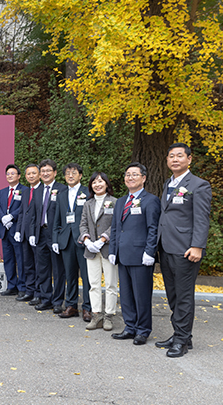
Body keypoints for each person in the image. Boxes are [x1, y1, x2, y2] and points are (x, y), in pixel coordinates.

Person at [156, 143, 212, 358]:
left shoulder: (199, 185)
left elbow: (201, 218)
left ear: (189, 159)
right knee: (173, 294)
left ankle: (181, 340)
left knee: (184, 295)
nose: (175, 159)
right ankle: (181, 333)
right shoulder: (167, 184)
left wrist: (197, 245)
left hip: (186, 249)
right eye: (171, 156)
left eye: (179, 155)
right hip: (166, 247)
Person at [109, 162, 160, 346]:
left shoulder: (151, 200)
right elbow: (116, 228)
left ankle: (143, 330)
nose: (130, 178)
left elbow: (153, 228)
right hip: (123, 254)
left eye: (134, 174)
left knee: (141, 295)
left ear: (144, 178)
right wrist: (113, 250)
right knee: (127, 294)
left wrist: (149, 251)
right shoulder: (121, 201)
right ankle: (130, 327)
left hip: (141, 256)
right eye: (127, 175)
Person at [79, 172, 118, 331]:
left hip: (107, 248)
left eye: (100, 181)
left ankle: (109, 316)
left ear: (107, 184)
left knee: (110, 284)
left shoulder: (115, 202)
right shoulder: (88, 204)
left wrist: (102, 239)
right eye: (94, 182)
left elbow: (115, 225)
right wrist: (87, 240)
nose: (97, 184)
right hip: (91, 250)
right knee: (93, 284)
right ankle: (96, 315)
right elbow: (82, 224)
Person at [52, 163, 92, 321]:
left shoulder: (87, 192)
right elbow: (57, 219)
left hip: (83, 240)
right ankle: (71, 305)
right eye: (67, 173)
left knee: (87, 276)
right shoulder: (61, 195)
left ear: (80, 175)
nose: (70, 175)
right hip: (66, 240)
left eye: (74, 173)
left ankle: (88, 307)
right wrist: (56, 239)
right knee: (70, 275)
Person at [27, 159, 66, 312]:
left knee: (57, 269)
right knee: (42, 268)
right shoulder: (37, 191)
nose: (45, 173)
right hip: (40, 234)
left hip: (55, 234)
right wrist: (31, 233)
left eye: (48, 170)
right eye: (42, 171)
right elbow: (33, 215)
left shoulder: (62, 189)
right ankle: (46, 299)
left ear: (55, 173)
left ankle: (57, 302)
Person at [0, 164, 28, 296]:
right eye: (8, 173)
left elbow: (25, 207)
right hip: (5, 230)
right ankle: (11, 285)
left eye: (13, 173)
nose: (10, 176)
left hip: (17, 230)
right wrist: (3, 218)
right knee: (8, 259)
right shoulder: (2, 192)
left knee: (20, 259)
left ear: (19, 176)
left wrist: (11, 216)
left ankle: (22, 287)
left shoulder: (25, 190)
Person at [14, 164, 41, 303]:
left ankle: (38, 292)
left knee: (38, 265)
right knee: (27, 264)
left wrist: (34, 232)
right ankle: (29, 291)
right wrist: (18, 230)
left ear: (39, 175)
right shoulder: (25, 192)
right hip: (24, 234)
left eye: (34, 173)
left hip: (37, 235)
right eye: (28, 174)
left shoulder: (43, 191)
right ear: (25, 176)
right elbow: (21, 213)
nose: (31, 176)